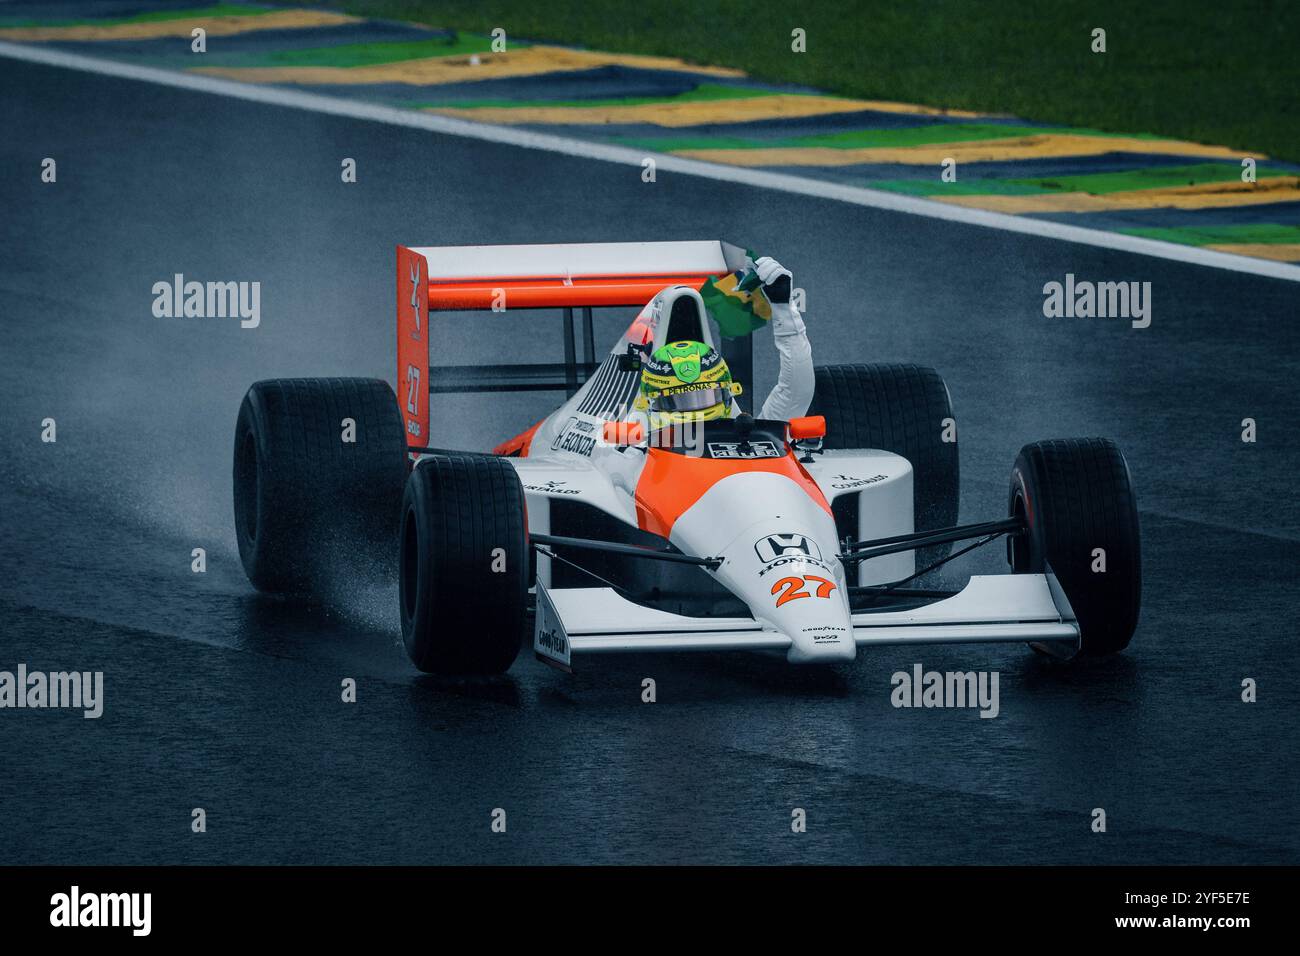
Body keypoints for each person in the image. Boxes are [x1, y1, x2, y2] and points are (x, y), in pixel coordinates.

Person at [632, 256, 813, 428]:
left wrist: (783, 308)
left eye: (707, 396)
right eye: (676, 401)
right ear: (649, 402)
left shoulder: (744, 441)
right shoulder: (630, 449)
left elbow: (796, 393)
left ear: (727, 392)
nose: (696, 412)